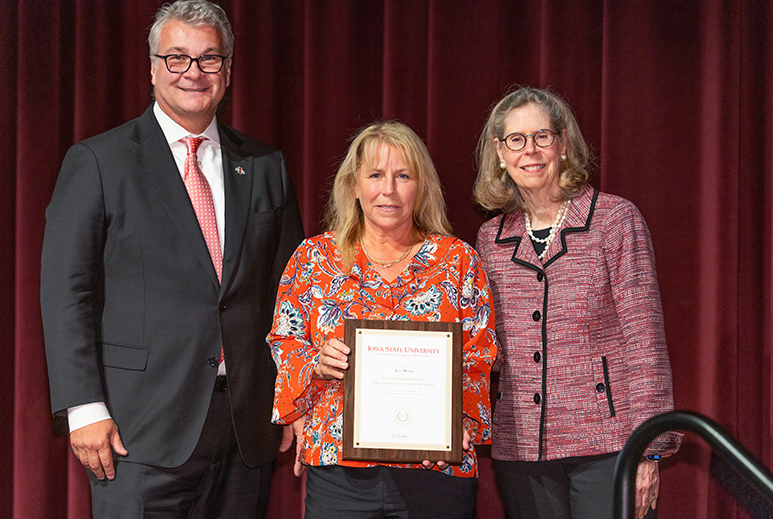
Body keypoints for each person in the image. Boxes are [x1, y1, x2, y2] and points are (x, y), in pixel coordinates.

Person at [40, 0, 304, 518]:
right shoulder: (99, 161)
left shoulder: (264, 164)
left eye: (209, 59)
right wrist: (83, 408)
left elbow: (290, 293)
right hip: (136, 430)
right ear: (154, 69)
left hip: (245, 427)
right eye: (177, 58)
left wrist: (293, 395)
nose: (193, 73)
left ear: (227, 72)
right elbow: (66, 291)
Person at [266, 121, 498, 519]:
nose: (388, 189)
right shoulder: (312, 260)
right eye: (375, 175)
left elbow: (478, 356)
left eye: (403, 176)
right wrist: (314, 365)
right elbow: (283, 341)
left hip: (436, 474)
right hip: (340, 477)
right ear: (354, 186)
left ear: (420, 186)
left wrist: (459, 424)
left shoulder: (458, 262)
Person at [473, 87, 681, 519]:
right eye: (516, 139)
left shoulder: (615, 220)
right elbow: (486, 344)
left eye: (542, 136)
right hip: (521, 450)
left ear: (564, 144)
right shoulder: (490, 239)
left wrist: (649, 450)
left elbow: (645, 343)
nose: (530, 150)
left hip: (608, 446)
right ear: (499, 153)